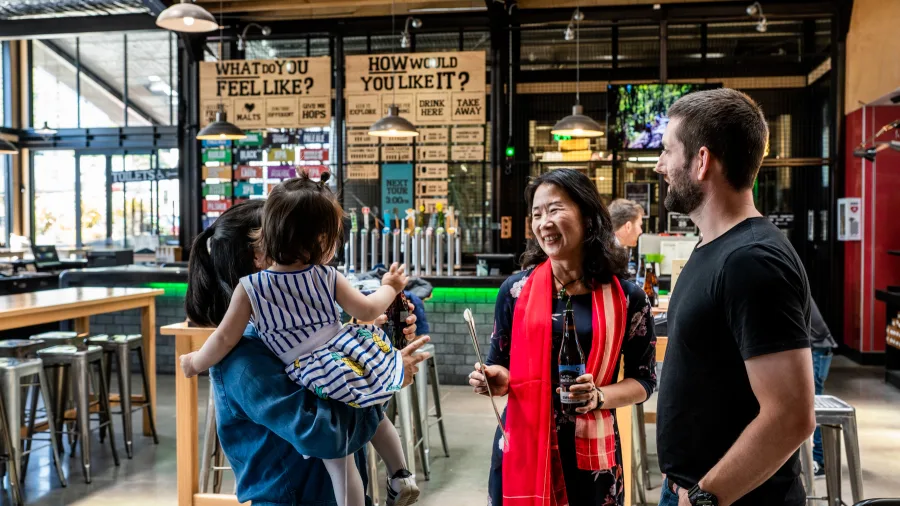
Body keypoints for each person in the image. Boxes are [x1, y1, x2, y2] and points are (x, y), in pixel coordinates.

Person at [181, 174, 424, 506]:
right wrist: (382, 380)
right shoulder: (243, 360)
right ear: (258, 254)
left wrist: (380, 352)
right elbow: (326, 435)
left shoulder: (282, 332)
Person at [654, 88, 816, 506]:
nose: (659, 165)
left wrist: (706, 496)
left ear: (702, 161)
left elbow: (791, 417)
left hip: (725, 498)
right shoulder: (715, 247)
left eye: (668, 151)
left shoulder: (751, 260)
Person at [468, 168, 657, 506]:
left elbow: (643, 381)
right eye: (537, 214)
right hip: (524, 447)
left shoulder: (628, 298)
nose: (543, 222)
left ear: (586, 217)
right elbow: (500, 366)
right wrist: (496, 378)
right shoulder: (514, 292)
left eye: (554, 209)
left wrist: (599, 396)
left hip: (593, 457)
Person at [809, 297, 837, 477]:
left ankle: (820, 461)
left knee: (814, 409)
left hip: (816, 350)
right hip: (817, 349)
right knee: (812, 407)